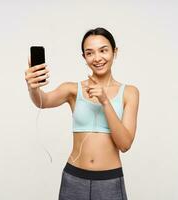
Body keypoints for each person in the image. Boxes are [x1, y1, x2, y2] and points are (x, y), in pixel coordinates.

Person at [24, 27, 139, 200]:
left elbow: (125, 145)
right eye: (90, 53)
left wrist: (105, 101)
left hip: (109, 181)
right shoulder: (72, 89)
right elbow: (43, 101)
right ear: (84, 57)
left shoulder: (130, 93)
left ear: (115, 52)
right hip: (74, 179)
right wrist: (32, 87)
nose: (97, 58)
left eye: (103, 50)